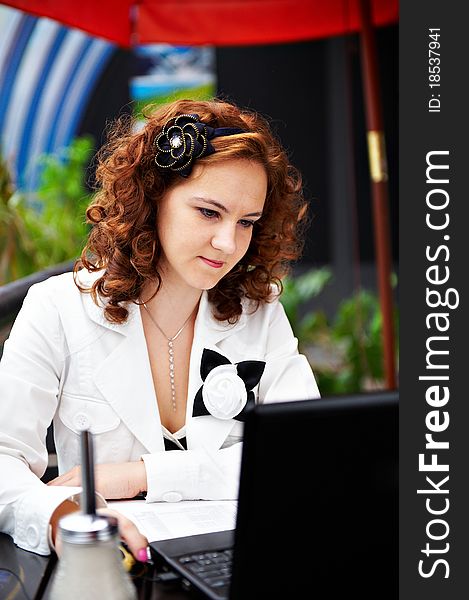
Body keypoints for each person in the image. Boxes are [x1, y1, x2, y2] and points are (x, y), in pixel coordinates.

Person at [0, 99, 320, 559]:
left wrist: (143, 474)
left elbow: (304, 458)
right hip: (114, 568)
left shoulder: (260, 311)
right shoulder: (57, 309)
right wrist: (61, 520)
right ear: (151, 199)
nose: (228, 243)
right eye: (209, 212)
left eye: (246, 222)